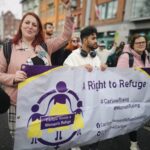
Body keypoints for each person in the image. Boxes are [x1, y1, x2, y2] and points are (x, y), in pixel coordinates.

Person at [0, 0, 73, 140]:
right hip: (18, 105)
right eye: (27, 22)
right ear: (21, 25)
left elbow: (66, 36)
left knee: (40, 140)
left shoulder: (46, 46)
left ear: (38, 29)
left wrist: (68, 10)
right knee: (21, 141)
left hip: (42, 104)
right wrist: (13, 78)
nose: (30, 26)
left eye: (34, 24)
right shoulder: (8, 48)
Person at [64, 26, 107, 150]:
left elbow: (101, 78)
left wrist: (103, 69)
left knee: (93, 133)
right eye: (93, 38)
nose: (96, 41)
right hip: (78, 104)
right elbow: (63, 74)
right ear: (84, 40)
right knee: (78, 131)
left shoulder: (96, 57)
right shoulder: (73, 57)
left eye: (96, 38)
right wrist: (80, 68)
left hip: (94, 102)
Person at [117, 34, 150, 150]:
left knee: (138, 119)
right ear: (132, 44)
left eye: (143, 42)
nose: (141, 44)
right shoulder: (126, 57)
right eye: (138, 43)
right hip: (130, 95)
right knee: (133, 119)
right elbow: (119, 77)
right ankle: (134, 143)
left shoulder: (147, 56)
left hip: (144, 95)